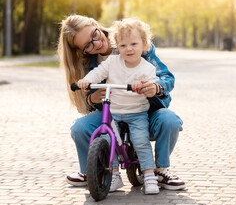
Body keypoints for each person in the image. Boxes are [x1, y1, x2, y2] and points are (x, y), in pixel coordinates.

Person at [57, 14, 185, 192]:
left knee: (169, 120)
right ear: (82, 51)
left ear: (96, 25)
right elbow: (87, 95)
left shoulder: (132, 41)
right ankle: (93, 171)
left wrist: (156, 87)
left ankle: (160, 170)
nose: (96, 42)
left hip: (143, 110)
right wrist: (91, 98)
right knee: (80, 128)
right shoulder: (89, 63)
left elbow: (166, 77)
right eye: (88, 45)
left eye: (95, 34)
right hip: (113, 112)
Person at [77, 18, 160, 194]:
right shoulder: (112, 62)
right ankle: (113, 176)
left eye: (134, 44)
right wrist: (87, 81)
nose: (128, 49)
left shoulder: (147, 68)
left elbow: (152, 82)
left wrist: (144, 85)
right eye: (123, 45)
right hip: (113, 113)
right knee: (108, 142)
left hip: (137, 113)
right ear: (117, 46)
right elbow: (98, 72)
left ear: (144, 44)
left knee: (140, 141)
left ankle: (150, 175)